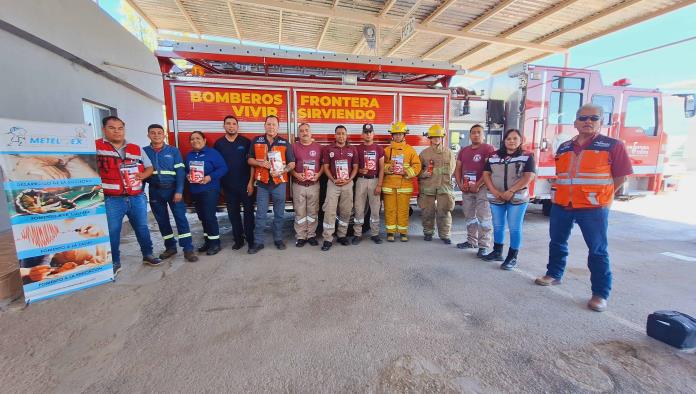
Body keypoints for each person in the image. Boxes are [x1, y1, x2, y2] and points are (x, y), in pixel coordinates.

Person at [535, 104, 633, 312]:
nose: (588, 121)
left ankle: (600, 293)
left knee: (597, 250)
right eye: (583, 118)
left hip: (593, 206)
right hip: (563, 204)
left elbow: (621, 176)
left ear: (601, 122)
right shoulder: (564, 147)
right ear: (575, 122)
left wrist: (605, 197)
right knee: (557, 242)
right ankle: (554, 274)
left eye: (593, 118)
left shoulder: (612, 145)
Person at [96, 116, 161, 276]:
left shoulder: (136, 148)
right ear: (104, 130)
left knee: (142, 228)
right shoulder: (96, 147)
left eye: (120, 128)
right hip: (112, 199)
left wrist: (142, 176)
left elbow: (149, 168)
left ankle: (148, 255)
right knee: (113, 231)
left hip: (136, 196)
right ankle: (114, 262)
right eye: (112, 128)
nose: (117, 131)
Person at [481, 128, 536, 270]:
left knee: (514, 228)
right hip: (496, 197)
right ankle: (497, 251)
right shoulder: (493, 156)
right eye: (508, 138)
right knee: (498, 226)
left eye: (515, 138)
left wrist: (511, 191)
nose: (511, 141)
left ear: (520, 141)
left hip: (517, 198)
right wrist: (494, 191)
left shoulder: (527, 156)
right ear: (504, 141)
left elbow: (528, 176)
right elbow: (486, 174)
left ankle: (512, 257)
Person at [143, 124, 198, 263]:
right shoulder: (143, 151)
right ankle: (170, 247)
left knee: (181, 219)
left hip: (173, 189)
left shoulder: (173, 151)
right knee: (162, 221)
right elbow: (141, 173)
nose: (156, 135)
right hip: (155, 190)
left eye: (159, 133)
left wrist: (179, 191)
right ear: (148, 135)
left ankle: (188, 249)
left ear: (164, 135)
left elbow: (180, 172)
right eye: (153, 133)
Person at [247, 115, 296, 253]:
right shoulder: (256, 140)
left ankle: (278, 239)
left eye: (274, 124)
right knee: (261, 214)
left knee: (279, 214)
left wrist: (283, 171)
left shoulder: (285, 143)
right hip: (262, 183)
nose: (271, 127)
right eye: (268, 124)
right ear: (265, 126)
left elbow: (292, 163)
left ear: (278, 127)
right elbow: (249, 160)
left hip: (279, 183)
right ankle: (258, 242)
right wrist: (260, 163)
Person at [214, 115, 255, 251]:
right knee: (233, 214)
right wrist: (220, 185)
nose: (231, 126)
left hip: (245, 185)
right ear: (224, 126)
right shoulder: (218, 144)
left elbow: (252, 165)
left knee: (249, 213)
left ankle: (250, 239)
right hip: (228, 186)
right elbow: (216, 166)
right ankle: (238, 240)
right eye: (228, 124)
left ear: (237, 126)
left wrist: (251, 183)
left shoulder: (246, 142)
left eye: (233, 124)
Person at [455, 124, 496, 257]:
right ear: (470, 135)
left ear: (483, 135)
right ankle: (471, 241)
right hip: (467, 187)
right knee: (469, 215)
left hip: (482, 188)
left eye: (479, 132)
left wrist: (478, 185)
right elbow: (458, 169)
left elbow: (489, 170)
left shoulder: (488, 149)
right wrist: (460, 184)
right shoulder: (464, 151)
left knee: (484, 217)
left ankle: (483, 245)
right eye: (473, 132)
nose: (476, 135)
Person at [184, 131, 228, 256]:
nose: (195, 140)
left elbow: (223, 168)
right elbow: (187, 170)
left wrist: (210, 177)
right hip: (195, 190)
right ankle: (208, 241)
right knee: (202, 217)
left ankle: (215, 244)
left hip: (210, 189)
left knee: (209, 217)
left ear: (204, 140)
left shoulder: (212, 153)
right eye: (192, 139)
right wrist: (188, 175)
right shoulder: (189, 155)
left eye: (198, 138)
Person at [320, 125, 359, 251]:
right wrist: (333, 179)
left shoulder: (352, 149)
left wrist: (349, 179)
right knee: (330, 211)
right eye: (338, 133)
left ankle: (342, 235)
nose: (341, 136)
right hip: (333, 184)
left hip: (347, 184)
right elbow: (326, 167)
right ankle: (328, 238)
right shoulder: (328, 149)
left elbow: (355, 167)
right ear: (335, 135)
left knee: (346, 211)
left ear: (346, 135)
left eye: (343, 133)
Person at [382, 121, 421, 242]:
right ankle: (390, 232)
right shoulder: (387, 150)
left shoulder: (410, 150)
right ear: (392, 136)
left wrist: (407, 171)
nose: (398, 136)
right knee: (390, 210)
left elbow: (417, 166)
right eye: (396, 134)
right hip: (389, 186)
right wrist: (388, 168)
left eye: (400, 134)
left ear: (404, 135)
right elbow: (381, 165)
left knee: (403, 210)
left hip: (404, 185)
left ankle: (403, 232)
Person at [418, 124, 457, 244]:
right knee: (427, 211)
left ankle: (445, 235)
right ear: (429, 138)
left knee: (444, 211)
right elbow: (418, 171)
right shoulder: (424, 153)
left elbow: (452, 169)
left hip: (444, 186)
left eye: (438, 137)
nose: (436, 139)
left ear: (442, 138)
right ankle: (428, 232)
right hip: (428, 185)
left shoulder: (449, 153)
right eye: (434, 137)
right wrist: (423, 174)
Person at [290, 123, 323, 247]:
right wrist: (296, 174)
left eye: (307, 130)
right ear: (299, 134)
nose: (304, 133)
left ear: (311, 132)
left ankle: (311, 235)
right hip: (298, 185)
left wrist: (318, 175)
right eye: (302, 131)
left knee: (313, 212)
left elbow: (324, 166)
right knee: (300, 212)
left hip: (314, 185)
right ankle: (301, 236)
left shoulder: (318, 147)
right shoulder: (293, 147)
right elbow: (289, 165)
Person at [351, 123, 385, 245]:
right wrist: (360, 170)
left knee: (375, 209)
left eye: (370, 132)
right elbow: (353, 166)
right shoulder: (357, 149)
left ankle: (375, 234)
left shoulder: (379, 149)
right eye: (366, 132)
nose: (368, 134)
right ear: (362, 134)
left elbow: (382, 168)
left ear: (373, 134)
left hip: (375, 180)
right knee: (359, 208)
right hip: (361, 180)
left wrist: (379, 185)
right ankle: (357, 234)